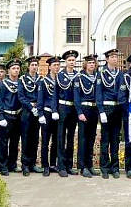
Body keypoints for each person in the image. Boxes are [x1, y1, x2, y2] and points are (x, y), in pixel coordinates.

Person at [96, 48, 124, 179]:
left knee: (115, 140)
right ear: (107, 59)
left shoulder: (120, 74)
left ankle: (115, 167)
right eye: (112, 57)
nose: (114, 59)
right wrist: (101, 111)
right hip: (106, 109)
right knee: (105, 140)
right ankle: (104, 168)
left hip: (117, 109)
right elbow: (98, 93)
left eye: (116, 57)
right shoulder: (101, 74)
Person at [74, 54, 99, 178]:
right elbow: (76, 97)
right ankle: (82, 166)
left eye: (93, 63)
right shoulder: (79, 78)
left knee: (91, 138)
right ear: (85, 64)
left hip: (94, 109)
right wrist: (79, 112)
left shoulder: (97, 77)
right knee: (83, 139)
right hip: (84, 109)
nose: (92, 65)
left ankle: (89, 165)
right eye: (89, 63)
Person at [0, 59, 23, 176]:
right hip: (6, 115)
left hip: (18, 115)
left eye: (17, 68)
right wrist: (1, 116)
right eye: (13, 68)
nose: (16, 70)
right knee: (3, 142)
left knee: (15, 142)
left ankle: (12, 164)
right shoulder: (3, 84)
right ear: (8, 71)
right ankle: (2, 166)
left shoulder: (21, 83)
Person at [18, 56, 42, 176]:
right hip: (27, 111)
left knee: (35, 138)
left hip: (37, 111)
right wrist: (31, 107)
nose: (34, 67)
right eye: (32, 65)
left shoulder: (40, 79)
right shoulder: (22, 79)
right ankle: (25, 164)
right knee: (26, 138)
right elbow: (21, 96)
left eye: (36, 65)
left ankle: (32, 163)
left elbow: (42, 95)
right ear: (28, 67)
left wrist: (38, 108)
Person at [56, 49, 79, 177]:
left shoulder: (78, 75)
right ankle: (61, 166)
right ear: (65, 62)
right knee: (61, 138)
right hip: (63, 107)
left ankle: (69, 165)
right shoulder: (60, 75)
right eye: (69, 60)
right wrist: (55, 110)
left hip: (73, 109)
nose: (71, 62)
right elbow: (55, 95)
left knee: (71, 137)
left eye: (73, 60)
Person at [38, 55, 60, 176]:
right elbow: (40, 99)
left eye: (58, 65)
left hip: (57, 114)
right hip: (47, 113)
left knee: (56, 141)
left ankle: (53, 164)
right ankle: (45, 165)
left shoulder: (60, 80)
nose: (57, 67)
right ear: (49, 67)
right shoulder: (43, 81)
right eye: (54, 65)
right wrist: (40, 113)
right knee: (45, 141)